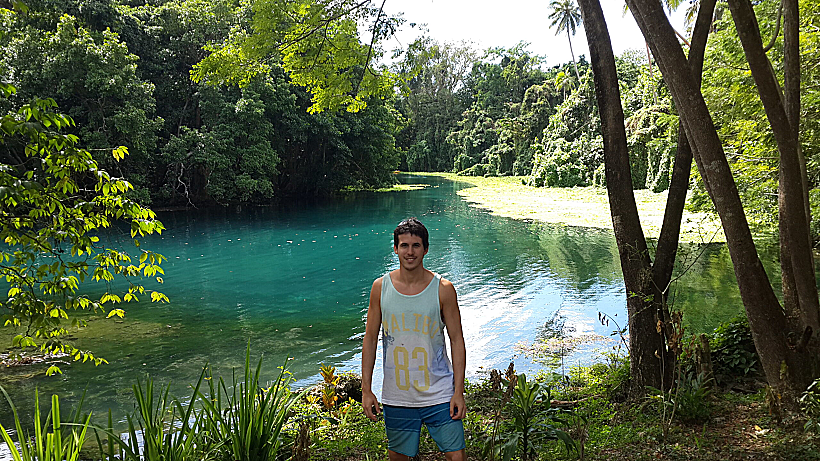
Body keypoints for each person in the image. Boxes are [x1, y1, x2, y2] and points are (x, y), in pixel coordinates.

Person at [362, 217, 467, 461]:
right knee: (398, 458)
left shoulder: (443, 288)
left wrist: (458, 391)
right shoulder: (381, 288)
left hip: (439, 392)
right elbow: (369, 340)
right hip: (397, 395)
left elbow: (457, 340)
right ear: (395, 248)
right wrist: (367, 390)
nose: (410, 252)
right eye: (404, 245)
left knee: (457, 456)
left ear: (426, 249)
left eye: (416, 246)